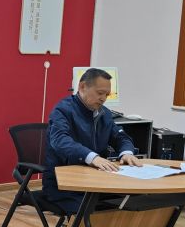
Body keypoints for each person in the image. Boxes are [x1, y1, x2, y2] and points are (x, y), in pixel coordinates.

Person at [42, 68, 142, 213]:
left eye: (107, 95)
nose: (103, 98)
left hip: (96, 181)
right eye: (100, 93)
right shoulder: (63, 110)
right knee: (91, 211)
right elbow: (60, 140)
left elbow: (120, 137)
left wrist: (126, 152)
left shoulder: (104, 113)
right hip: (64, 184)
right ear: (82, 86)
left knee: (135, 201)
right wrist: (92, 157)